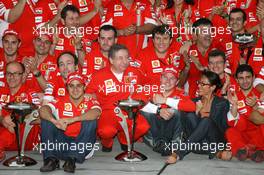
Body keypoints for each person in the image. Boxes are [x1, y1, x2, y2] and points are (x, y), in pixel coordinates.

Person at [86, 44, 150, 152]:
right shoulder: (99, 75)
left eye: (127, 57)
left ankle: (124, 140)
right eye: (120, 58)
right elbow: (88, 94)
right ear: (111, 60)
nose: (125, 61)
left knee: (143, 127)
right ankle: (107, 143)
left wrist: (145, 100)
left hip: (129, 110)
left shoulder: (135, 72)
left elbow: (144, 88)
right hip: (108, 112)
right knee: (106, 131)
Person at [39, 72, 101, 172]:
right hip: (61, 146)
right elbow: (43, 110)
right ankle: (50, 160)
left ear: (84, 87)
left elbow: (96, 112)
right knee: (47, 120)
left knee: (91, 121)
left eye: (79, 86)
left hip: (82, 147)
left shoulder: (90, 101)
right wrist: (54, 121)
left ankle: (71, 160)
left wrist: (72, 120)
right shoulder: (60, 100)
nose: (75, 89)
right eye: (71, 86)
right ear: (67, 88)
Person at [166, 70, 231, 164]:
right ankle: (214, 152)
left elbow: (215, 124)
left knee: (206, 121)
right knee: (189, 114)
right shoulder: (194, 101)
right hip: (197, 144)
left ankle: (178, 153)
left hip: (215, 140)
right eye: (199, 82)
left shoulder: (221, 103)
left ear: (212, 87)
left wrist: (200, 113)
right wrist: (196, 112)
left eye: (203, 84)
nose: (199, 86)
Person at [141, 66, 196, 156]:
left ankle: (175, 146)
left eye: (172, 78)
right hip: (155, 131)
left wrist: (165, 100)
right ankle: (157, 144)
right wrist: (158, 110)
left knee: (178, 112)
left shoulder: (180, 93)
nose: (167, 81)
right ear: (160, 78)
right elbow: (138, 103)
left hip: (171, 130)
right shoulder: (151, 90)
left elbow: (192, 107)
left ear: (177, 82)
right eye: (165, 77)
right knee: (145, 111)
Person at [0, 61, 41, 162]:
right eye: (9, 73)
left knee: (16, 122)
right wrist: (2, 120)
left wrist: (16, 118)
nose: (12, 77)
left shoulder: (30, 93)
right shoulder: (1, 92)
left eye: (16, 74)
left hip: (25, 138)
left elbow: (39, 116)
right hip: (6, 134)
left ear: (23, 76)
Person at [226, 64, 264, 162]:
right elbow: (232, 122)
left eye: (248, 77)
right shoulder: (234, 96)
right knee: (230, 131)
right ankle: (246, 150)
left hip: (259, 133)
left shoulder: (261, 94)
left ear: (253, 78)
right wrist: (234, 104)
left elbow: (260, 118)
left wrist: (255, 106)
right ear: (237, 80)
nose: (245, 81)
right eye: (241, 78)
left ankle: (254, 150)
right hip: (244, 134)